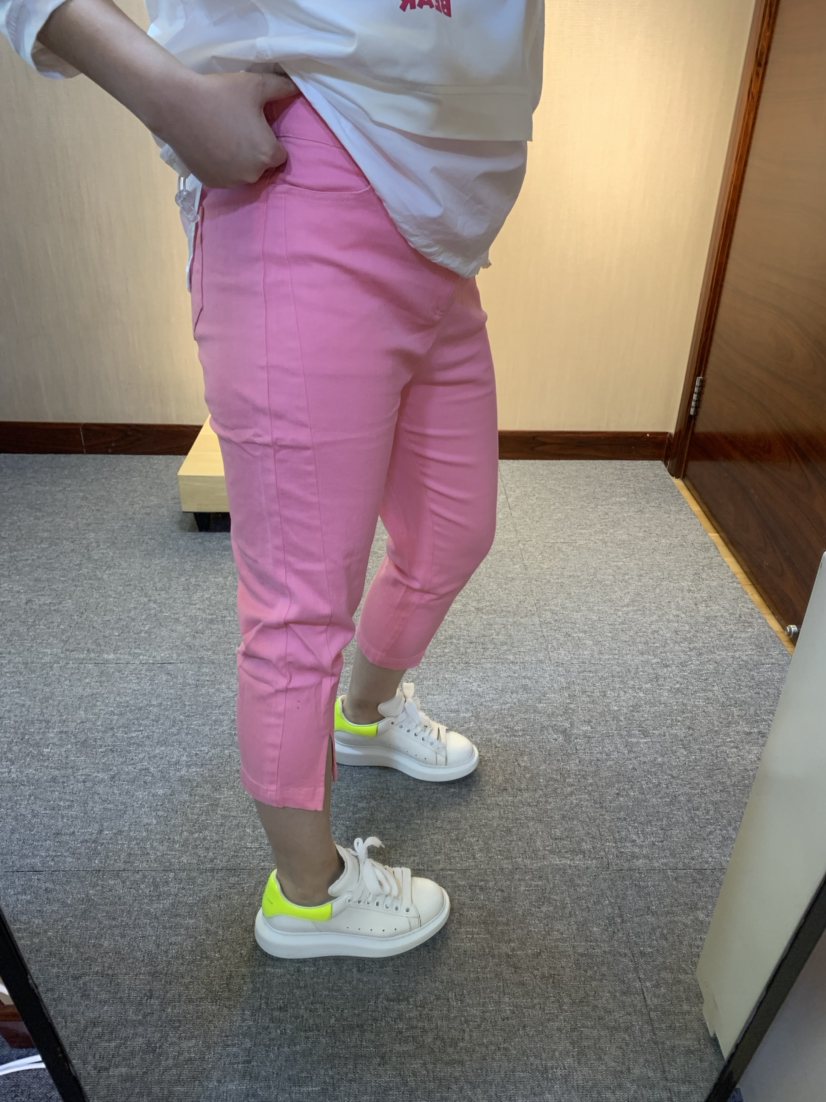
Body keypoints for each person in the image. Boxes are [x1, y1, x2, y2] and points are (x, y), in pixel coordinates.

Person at [1, 0, 544, 959]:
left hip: (444, 228)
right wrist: (167, 93)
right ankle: (308, 896)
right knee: (300, 606)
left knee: (454, 533)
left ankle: (364, 715)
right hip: (301, 177)